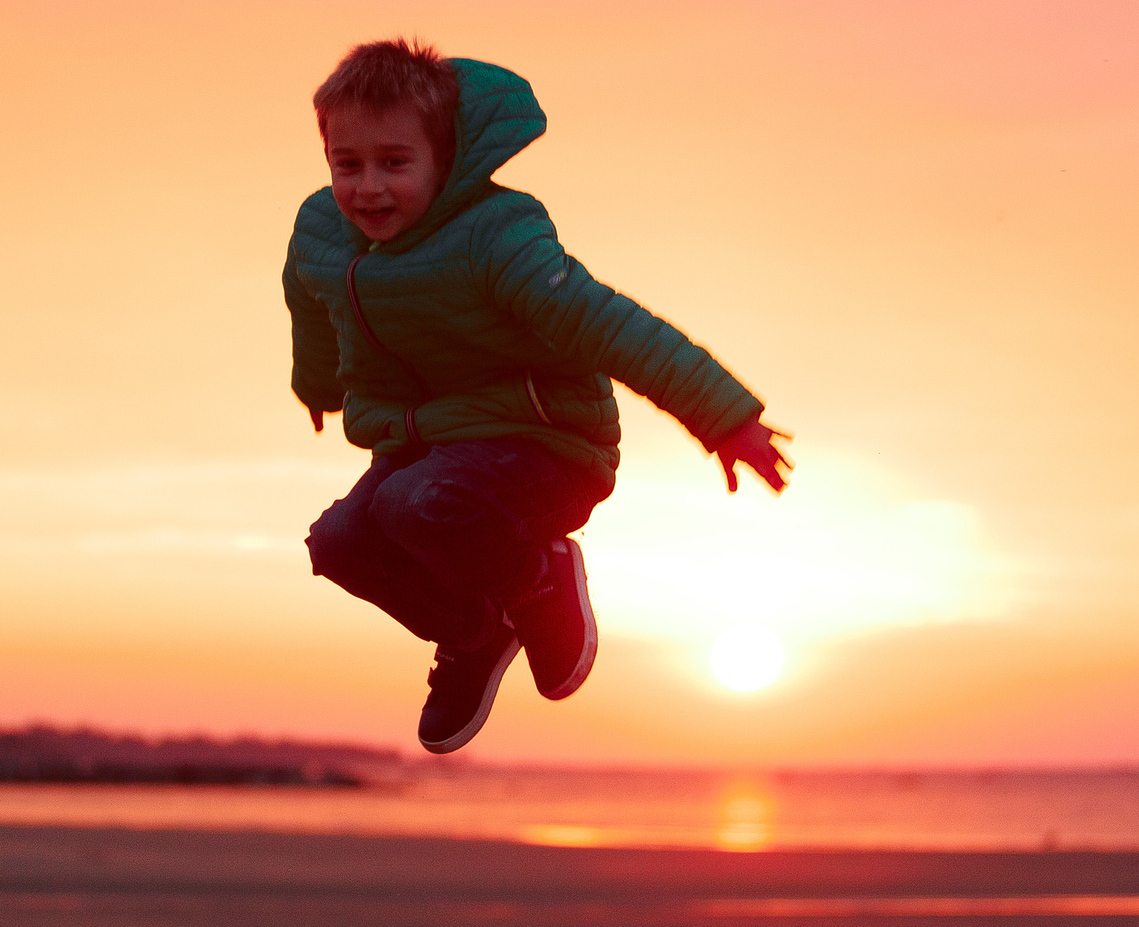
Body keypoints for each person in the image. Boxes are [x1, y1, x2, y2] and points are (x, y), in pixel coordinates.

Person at [285, 40, 789, 754]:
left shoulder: (496, 236)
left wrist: (725, 417)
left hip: (544, 445)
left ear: (445, 156)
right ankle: (474, 636)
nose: (369, 188)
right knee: (339, 543)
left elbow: (607, 322)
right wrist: (318, 383)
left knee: (415, 506)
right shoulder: (321, 233)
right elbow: (309, 301)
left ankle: (540, 578)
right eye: (349, 165)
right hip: (427, 446)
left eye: (395, 163)